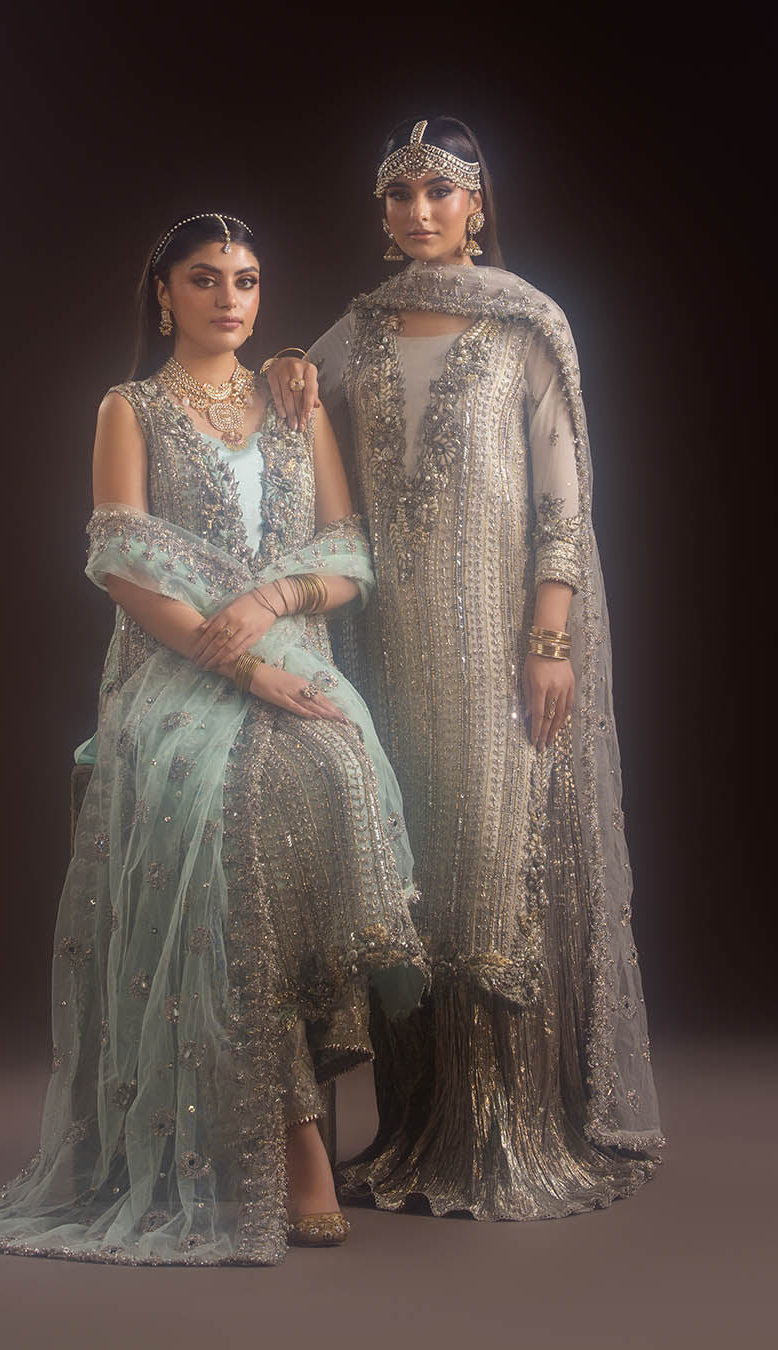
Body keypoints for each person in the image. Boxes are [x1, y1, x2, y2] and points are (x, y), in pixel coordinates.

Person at [0, 212, 427, 1264]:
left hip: (299, 658)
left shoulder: (294, 399)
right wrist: (244, 664)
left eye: (248, 279)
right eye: (206, 278)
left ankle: (303, 1094)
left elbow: (349, 554)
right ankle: (297, 1134)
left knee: (334, 769)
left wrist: (277, 602)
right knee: (232, 809)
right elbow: (125, 571)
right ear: (164, 293)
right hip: (176, 675)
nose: (230, 298)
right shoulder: (128, 409)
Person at [265, 118, 664, 1220]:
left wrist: (550, 640)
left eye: (440, 191)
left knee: (489, 863)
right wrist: (289, 362)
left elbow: (564, 498)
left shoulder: (527, 324)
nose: (419, 212)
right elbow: (283, 405)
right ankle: (416, 1131)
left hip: (497, 646)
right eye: (400, 195)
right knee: (408, 867)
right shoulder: (360, 327)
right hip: (384, 649)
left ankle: (506, 1137)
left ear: (478, 204)